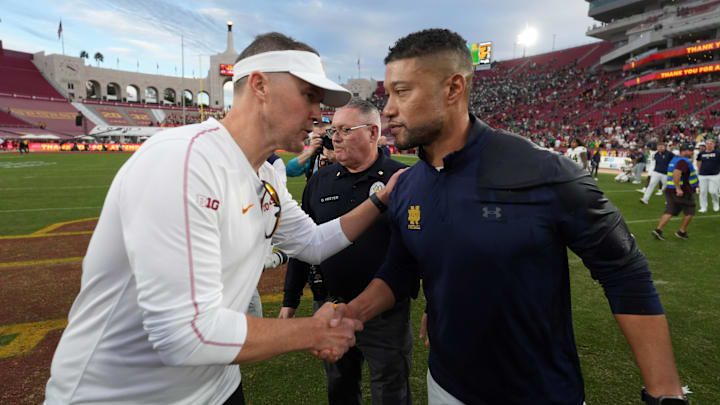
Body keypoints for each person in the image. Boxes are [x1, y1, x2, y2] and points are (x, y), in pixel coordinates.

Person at [44, 32, 406, 405]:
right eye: (308, 95)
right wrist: (312, 331)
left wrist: (383, 198)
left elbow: (312, 243)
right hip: (123, 395)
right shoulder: (183, 162)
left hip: (217, 385)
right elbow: (184, 335)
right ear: (260, 85)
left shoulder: (265, 175)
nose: (318, 115)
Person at [341, 28, 686, 405]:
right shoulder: (406, 186)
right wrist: (352, 313)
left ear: (453, 88)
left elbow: (624, 271)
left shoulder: (545, 171)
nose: (388, 107)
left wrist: (665, 393)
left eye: (401, 91)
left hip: (538, 392)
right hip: (443, 385)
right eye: (388, 92)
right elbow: (400, 269)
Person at [279, 99, 413, 405]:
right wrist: (290, 299)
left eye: (345, 130)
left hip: (385, 314)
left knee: (390, 390)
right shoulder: (320, 182)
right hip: (331, 306)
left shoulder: (402, 180)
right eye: (332, 130)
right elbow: (305, 244)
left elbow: (424, 249)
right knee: (339, 388)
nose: (334, 137)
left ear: (372, 132)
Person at [652, 143, 698, 240]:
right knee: (690, 211)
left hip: (670, 189)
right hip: (682, 191)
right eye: (690, 150)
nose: (692, 152)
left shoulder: (675, 159)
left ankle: (658, 230)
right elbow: (676, 174)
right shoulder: (683, 161)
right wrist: (678, 188)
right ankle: (682, 231)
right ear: (685, 151)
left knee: (670, 211)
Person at [286, 115, 335, 180]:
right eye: (316, 125)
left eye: (323, 125)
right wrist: (309, 152)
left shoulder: (339, 147)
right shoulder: (312, 153)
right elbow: (289, 171)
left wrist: (336, 159)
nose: (320, 128)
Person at [695, 138, 720, 213]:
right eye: (708, 143)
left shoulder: (718, 153)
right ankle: (703, 207)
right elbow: (698, 162)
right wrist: (700, 171)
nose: (709, 145)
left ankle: (716, 204)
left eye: (711, 143)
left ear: (714, 145)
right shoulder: (701, 153)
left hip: (714, 175)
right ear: (706, 145)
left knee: (713, 192)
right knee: (702, 192)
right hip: (703, 175)